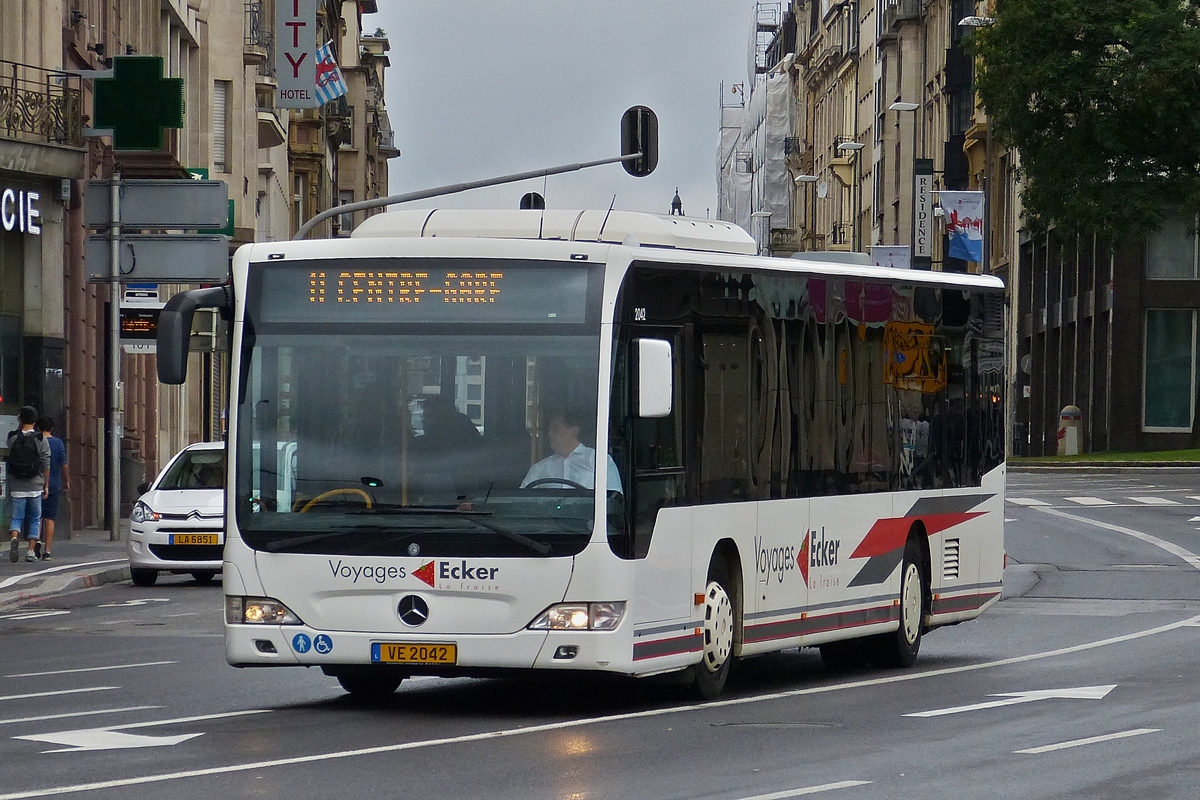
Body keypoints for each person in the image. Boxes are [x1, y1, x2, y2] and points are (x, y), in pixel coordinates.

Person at [521, 410, 622, 492]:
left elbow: (613, 498)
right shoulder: (540, 468)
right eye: (549, 430)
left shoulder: (598, 460)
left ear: (574, 431)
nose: (550, 434)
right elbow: (522, 501)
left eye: (556, 429)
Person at [7, 406, 50, 563]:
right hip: (35, 485)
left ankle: (14, 537)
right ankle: (31, 551)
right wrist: (46, 485)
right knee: (34, 518)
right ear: (35, 420)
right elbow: (46, 464)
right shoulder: (40, 439)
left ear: (20, 419)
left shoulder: (12, 437)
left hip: (17, 485)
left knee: (17, 517)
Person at [34, 416, 68, 561]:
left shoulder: (36, 441)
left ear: (38, 428)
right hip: (53, 484)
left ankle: (35, 544)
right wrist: (67, 481)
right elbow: (64, 464)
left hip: (35, 483)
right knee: (49, 518)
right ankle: (47, 551)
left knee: (36, 517)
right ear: (51, 428)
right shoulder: (58, 443)